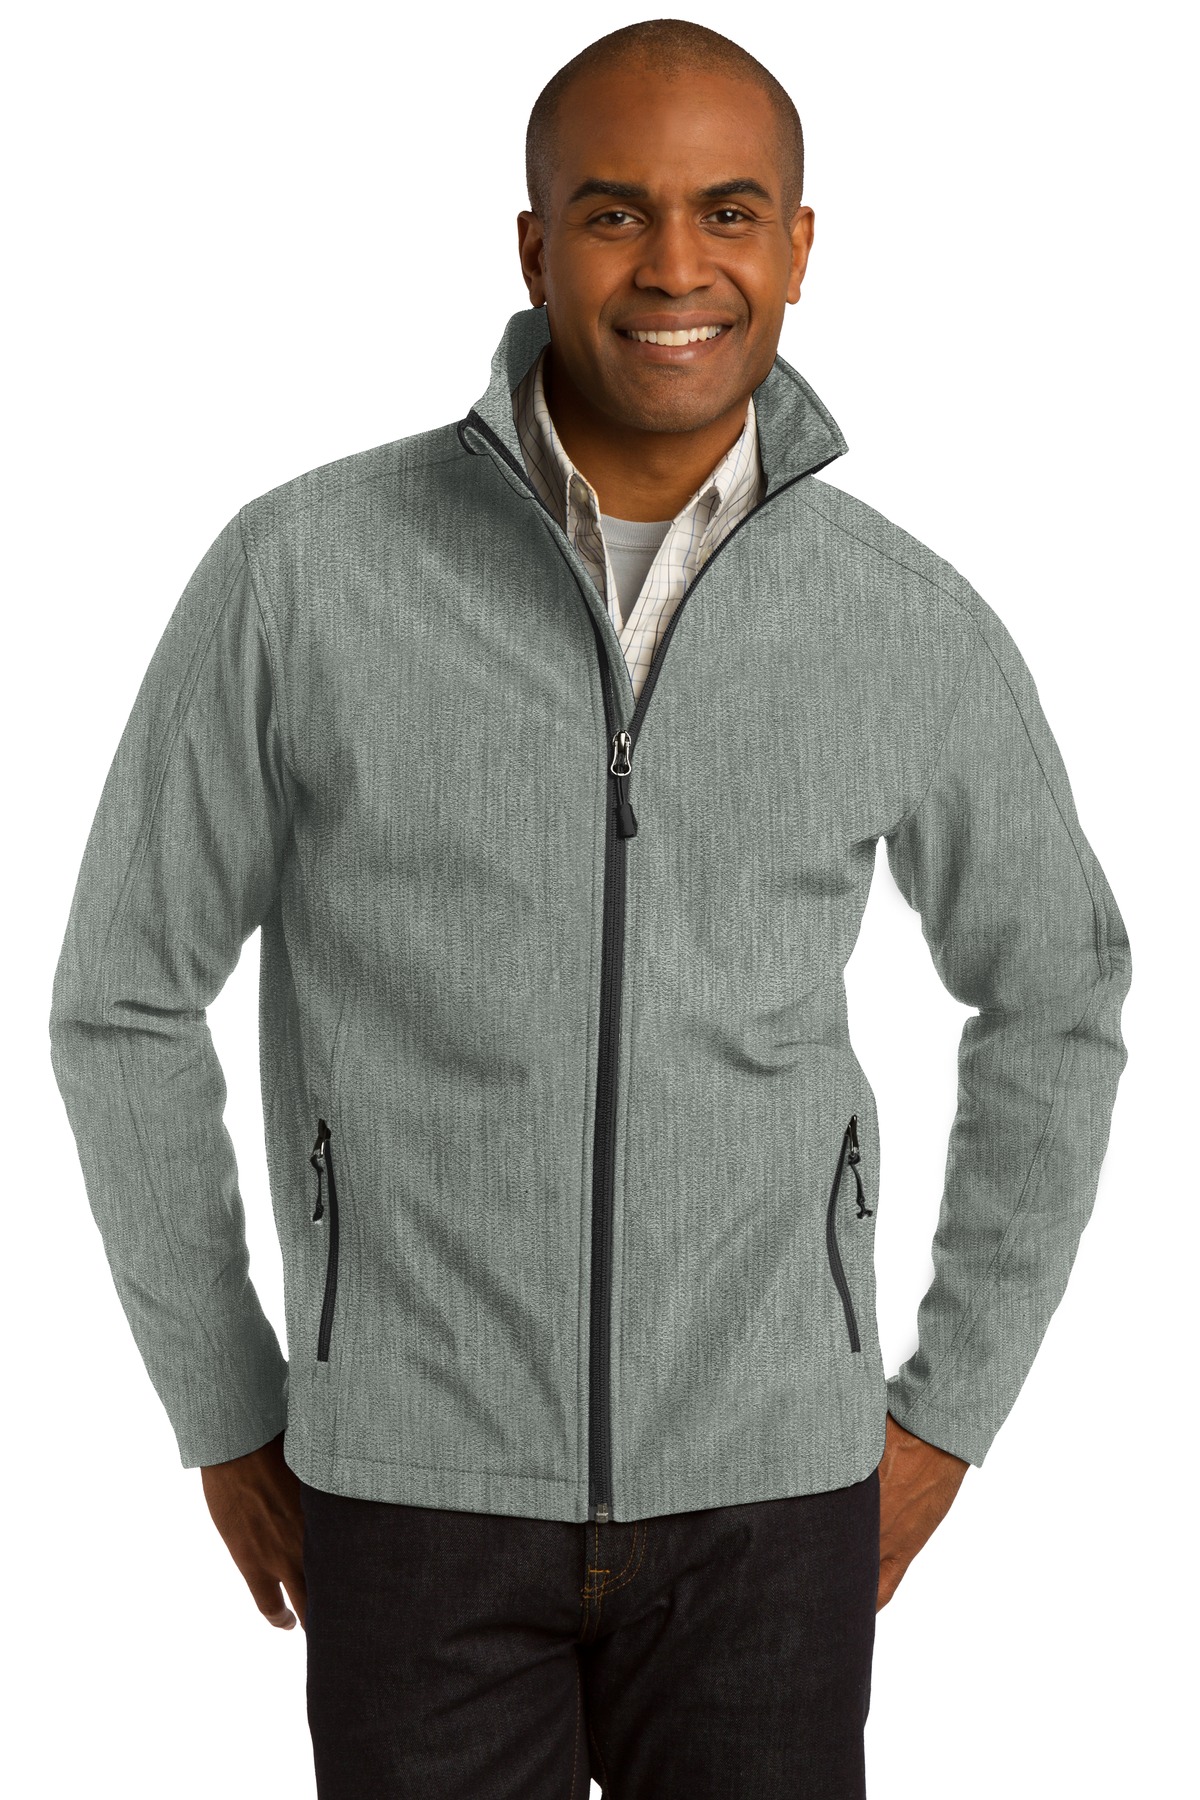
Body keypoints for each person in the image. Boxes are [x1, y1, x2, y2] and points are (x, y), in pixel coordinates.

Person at [48, 18, 1132, 1799]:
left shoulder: (904, 620)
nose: (676, 267)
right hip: (410, 1484)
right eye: (616, 213)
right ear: (534, 244)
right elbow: (121, 996)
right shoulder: (304, 575)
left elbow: (1059, 997)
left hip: (773, 1498)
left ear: (800, 245)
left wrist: (947, 1412)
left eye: (730, 211)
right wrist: (226, 1401)